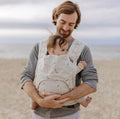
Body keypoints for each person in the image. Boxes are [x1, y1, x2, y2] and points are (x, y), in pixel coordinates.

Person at [20, 1, 98, 119]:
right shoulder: (39, 47)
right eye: (63, 22)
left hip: (69, 115)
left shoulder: (83, 49)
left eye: (71, 24)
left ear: (76, 24)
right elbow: (26, 77)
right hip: (38, 114)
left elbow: (91, 83)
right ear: (56, 18)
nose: (66, 28)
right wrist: (39, 101)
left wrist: (59, 99)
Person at [30, 34, 92, 110]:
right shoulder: (63, 60)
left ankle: (33, 102)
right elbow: (72, 71)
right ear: (52, 51)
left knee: (35, 85)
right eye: (63, 50)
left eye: (66, 50)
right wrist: (81, 65)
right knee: (74, 89)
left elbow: (38, 72)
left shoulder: (42, 59)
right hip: (60, 90)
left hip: (43, 90)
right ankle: (83, 102)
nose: (66, 53)